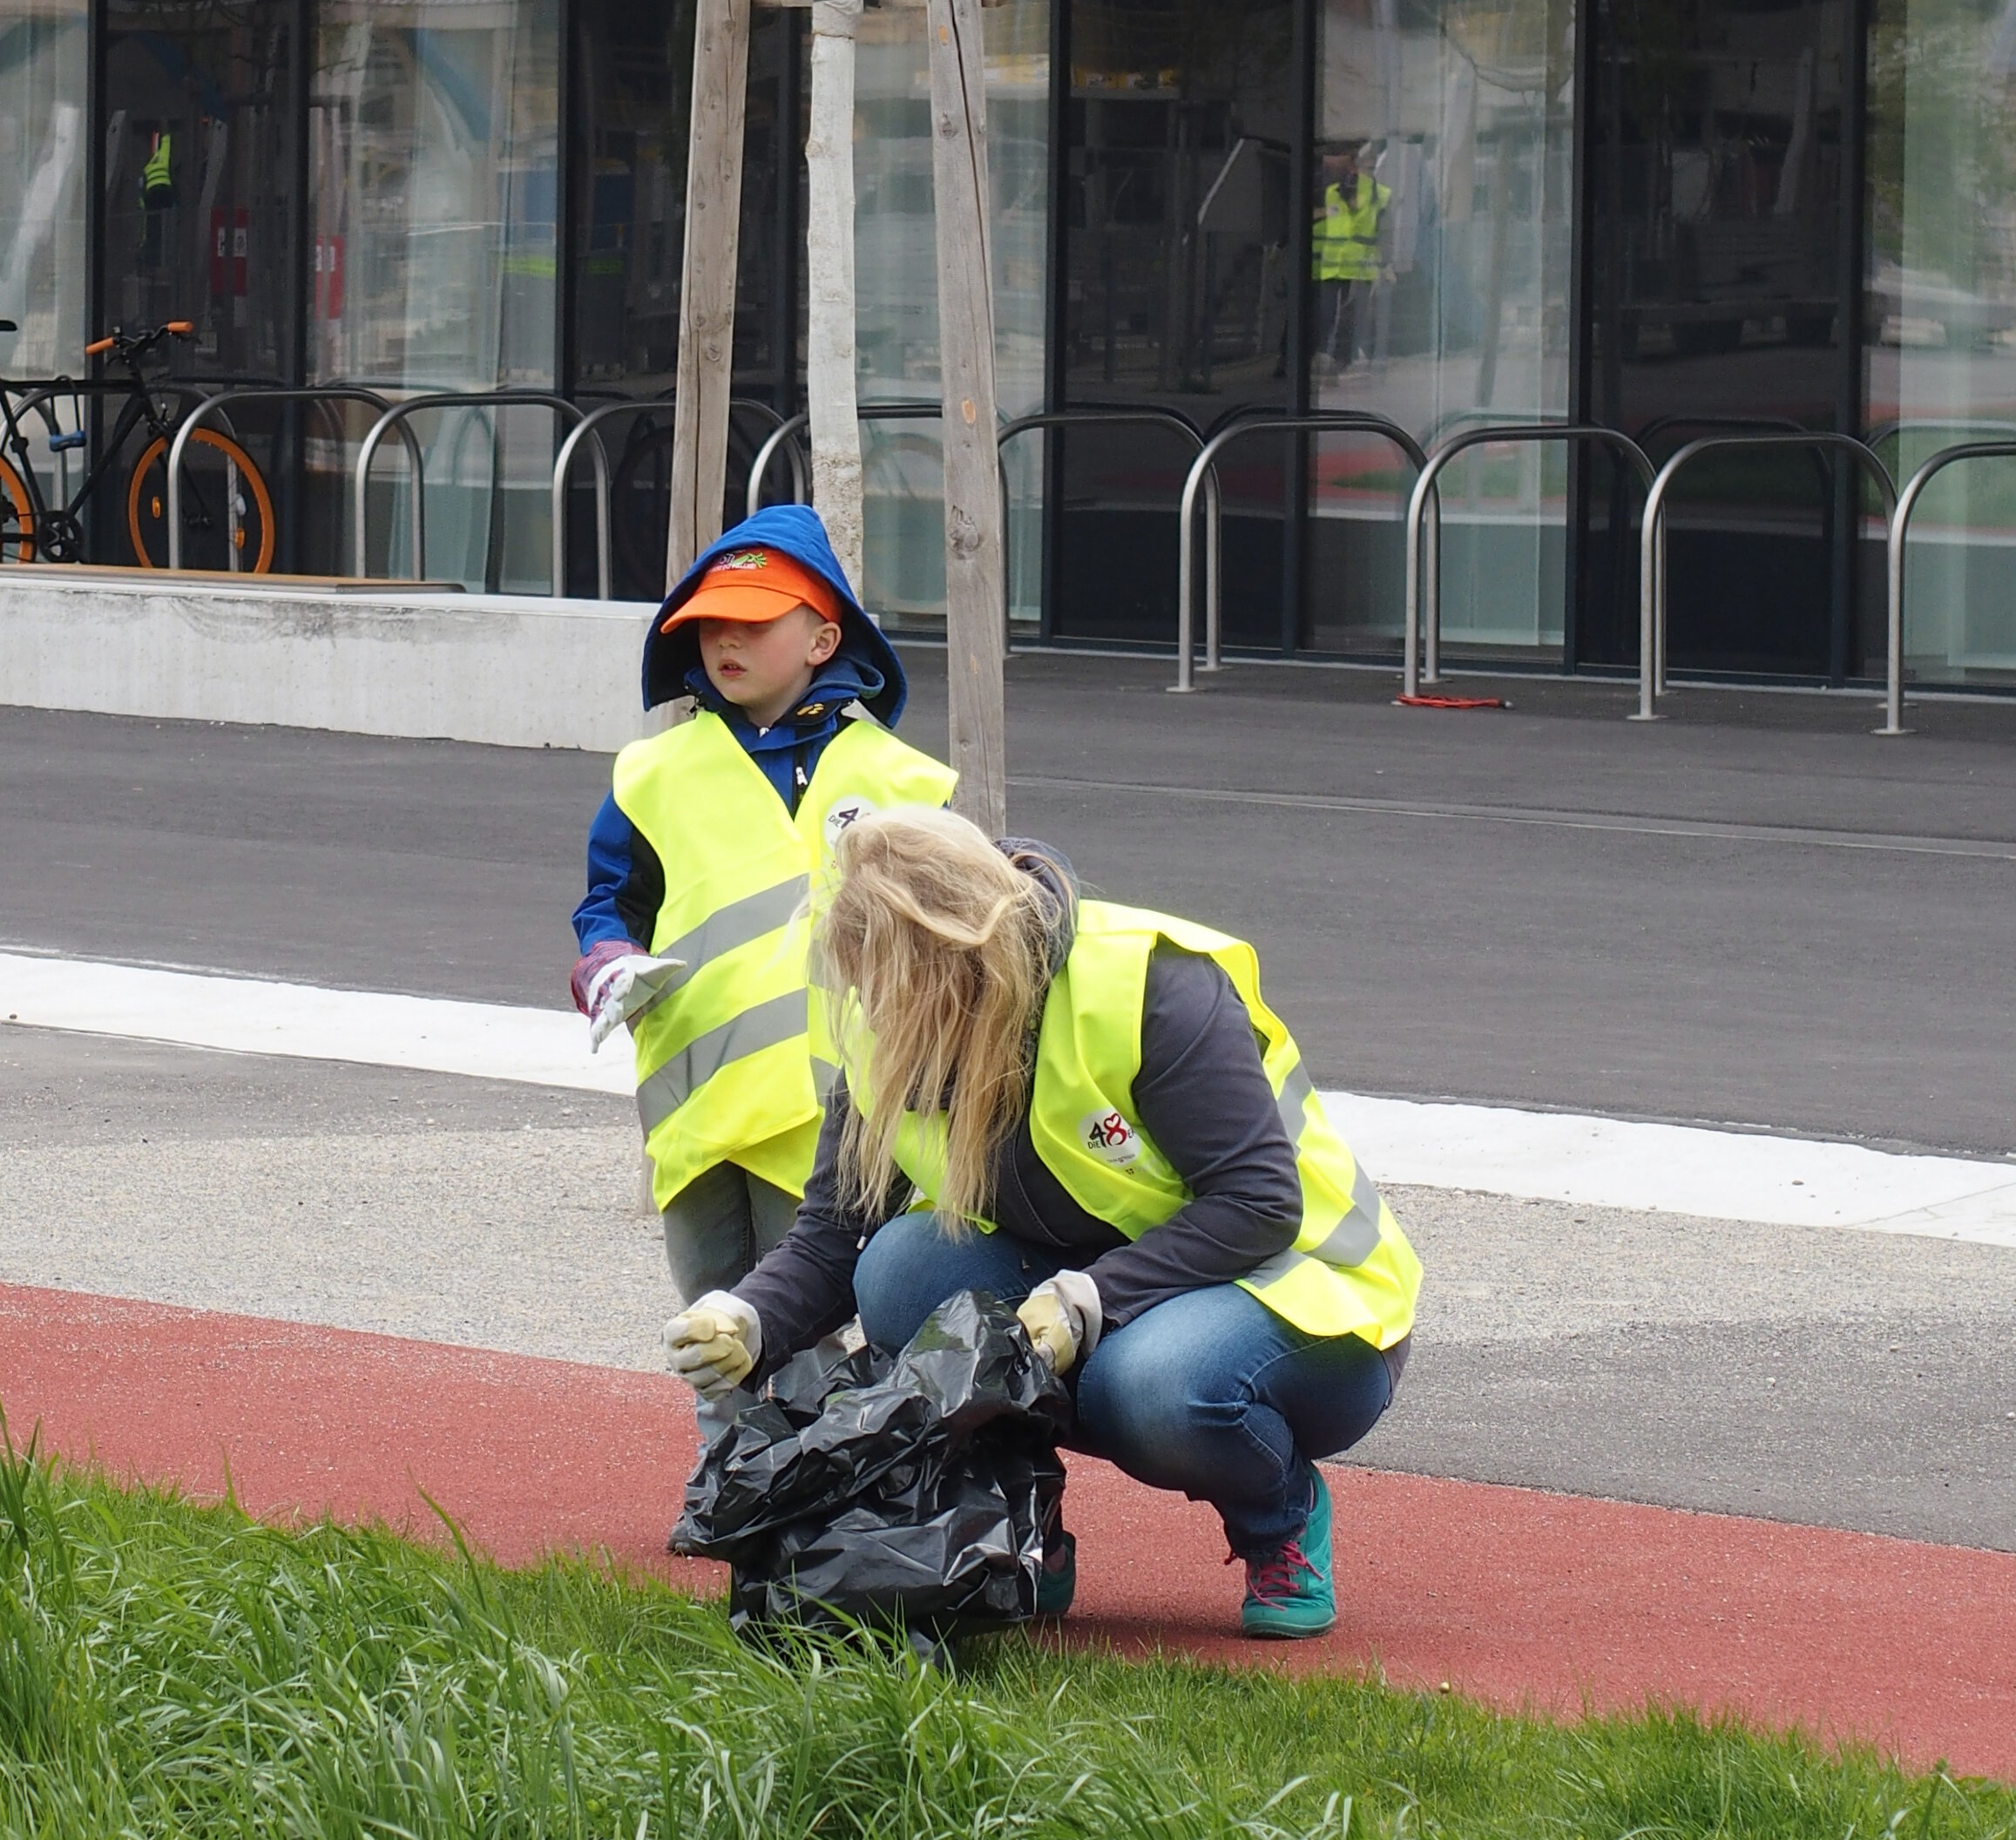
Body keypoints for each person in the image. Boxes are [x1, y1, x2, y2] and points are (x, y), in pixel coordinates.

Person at [663, 807, 1420, 1637]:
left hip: (1306, 1301)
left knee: (1149, 1386)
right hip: (1104, 1290)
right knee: (902, 1272)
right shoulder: (895, 1017)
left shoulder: (1145, 986)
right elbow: (836, 1235)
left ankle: (1282, 1514)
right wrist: (748, 1317)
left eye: (905, 994)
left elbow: (1258, 1202)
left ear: (968, 960)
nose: (885, 1023)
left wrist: (1091, 1298)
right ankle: (1015, 1540)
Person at [573, 504, 957, 1315]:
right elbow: (611, 903)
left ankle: (809, 1451)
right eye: (710, 624)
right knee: (711, 1326)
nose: (725, 642)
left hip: (846, 1113)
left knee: (815, 1338)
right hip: (699, 1105)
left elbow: (956, 942)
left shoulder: (906, 783)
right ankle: (730, 1452)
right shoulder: (654, 772)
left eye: (752, 623)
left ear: (825, 641)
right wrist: (604, 963)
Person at [1312, 141, 1392, 374]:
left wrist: (1385, 264)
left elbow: (1383, 230)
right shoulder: (1332, 192)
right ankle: (1327, 356)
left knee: (1354, 315)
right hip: (1334, 264)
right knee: (1328, 314)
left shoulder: (1380, 195)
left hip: (1359, 265)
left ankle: (1344, 358)